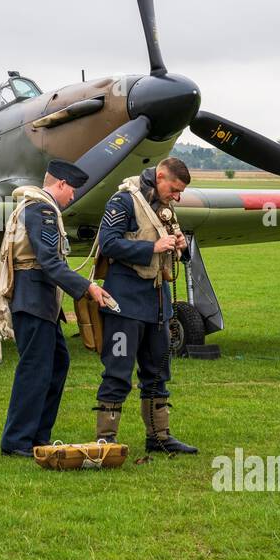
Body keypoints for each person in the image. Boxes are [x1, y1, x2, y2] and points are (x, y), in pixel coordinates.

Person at [0, 160, 114, 456]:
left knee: (57, 363)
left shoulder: (36, 208)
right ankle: (18, 441)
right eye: (71, 190)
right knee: (35, 370)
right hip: (34, 301)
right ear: (60, 184)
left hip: (40, 303)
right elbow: (49, 262)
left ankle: (37, 435)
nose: (73, 197)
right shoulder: (43, 210)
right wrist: (87, 287)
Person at [92, 158, 196, 454]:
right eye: (174, 189)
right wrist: (151, 247)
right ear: (160, 176)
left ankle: (159, 437)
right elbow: (108, 243)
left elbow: (173, 249)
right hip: (124, 304)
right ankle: (106, 440)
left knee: (158, 371)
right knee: (118, 370)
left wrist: (180, 246)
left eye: (180, 192)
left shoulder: (164, 205)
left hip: (157, 303)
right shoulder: (123, 200)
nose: (177, 196)